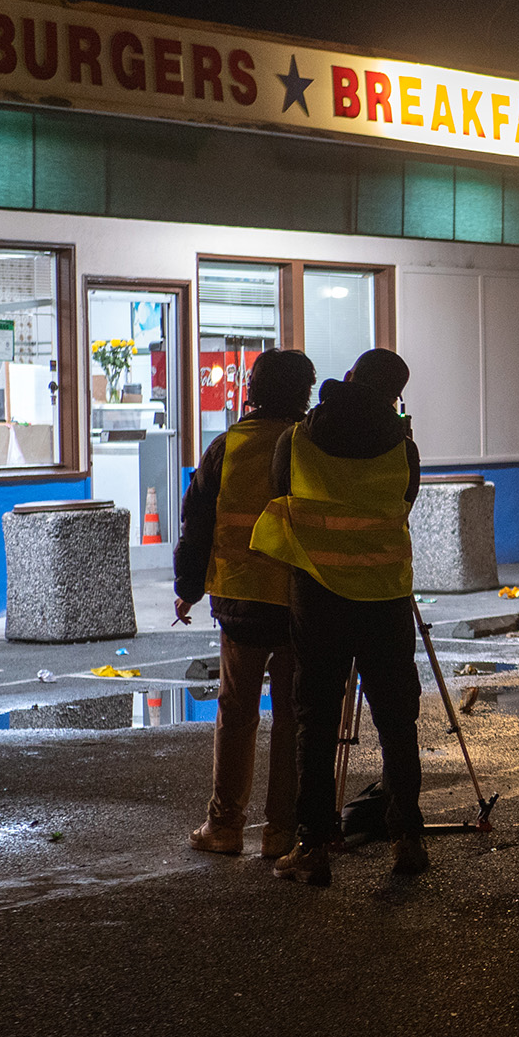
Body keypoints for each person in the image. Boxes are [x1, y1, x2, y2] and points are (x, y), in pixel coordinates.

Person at [249, 348, 427, 886]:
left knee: (316, 721)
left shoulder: (297, 439)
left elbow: (283, 497)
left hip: (320, 598)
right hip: (385, 598)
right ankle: (408, 839)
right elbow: (404, 502)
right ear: (394, 396)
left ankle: (313, 846)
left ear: (349, 378)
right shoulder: (405, 449)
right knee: (397, 722)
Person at [173, 349, 315, 860]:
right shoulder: (309, 446)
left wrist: (188, 587)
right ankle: (281, 832)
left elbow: (198, 524)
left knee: (236, 713)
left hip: (240, 600)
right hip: (300, 600)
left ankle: (225, 826)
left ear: (252, 390)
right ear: (305, 393)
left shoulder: (227, 446)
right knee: (292, 717)